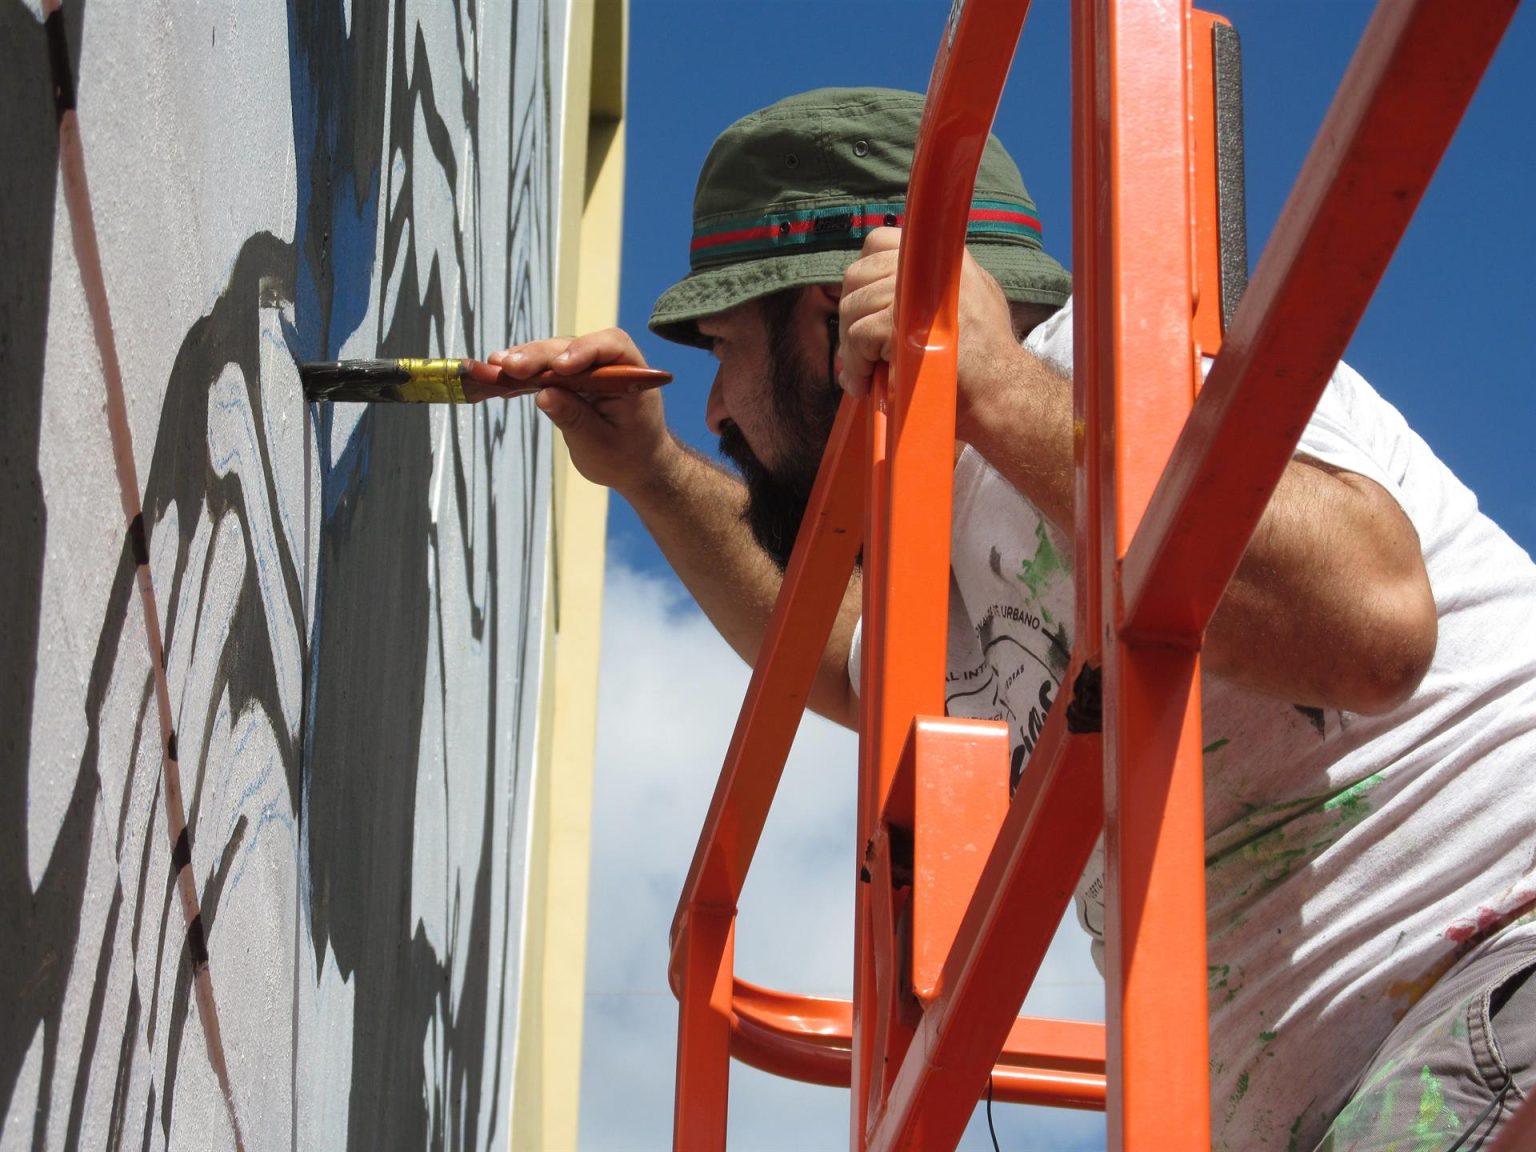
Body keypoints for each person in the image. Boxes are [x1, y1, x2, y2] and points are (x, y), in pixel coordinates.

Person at [492, 87, 1536, 1151]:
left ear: (835, 314)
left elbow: (1372, 625)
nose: (714, 407)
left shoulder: (1111, 366)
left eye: (723, 347)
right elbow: (838, 658)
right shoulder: (950, 550)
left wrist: (985, 380)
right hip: (1383, 1081)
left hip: (1498, 968)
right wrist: (652, 469)